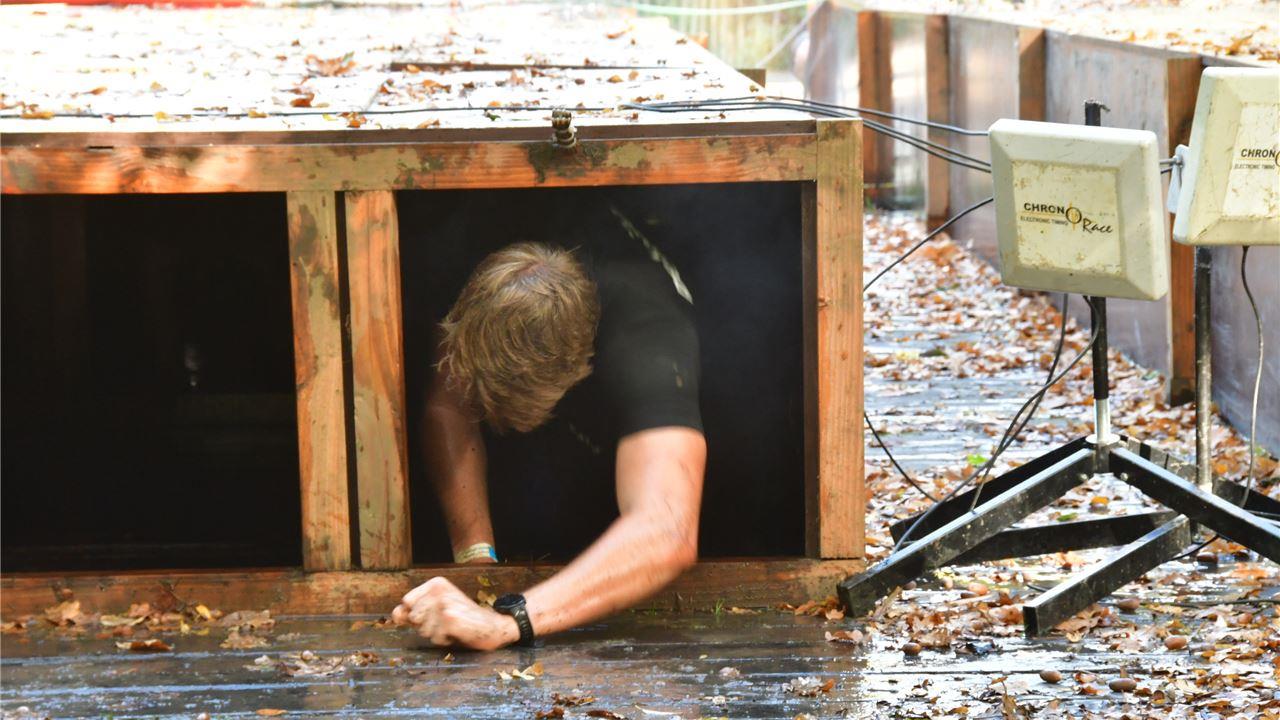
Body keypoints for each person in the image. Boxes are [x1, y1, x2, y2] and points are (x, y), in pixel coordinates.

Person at [390, 198, 705, 650]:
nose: (476, 408)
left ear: (574, 377)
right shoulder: (484, 271)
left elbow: (667, 529)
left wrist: (504, 623)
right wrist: (477, 562)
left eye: (493, 406)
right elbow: (448, 405)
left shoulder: (648, 340)